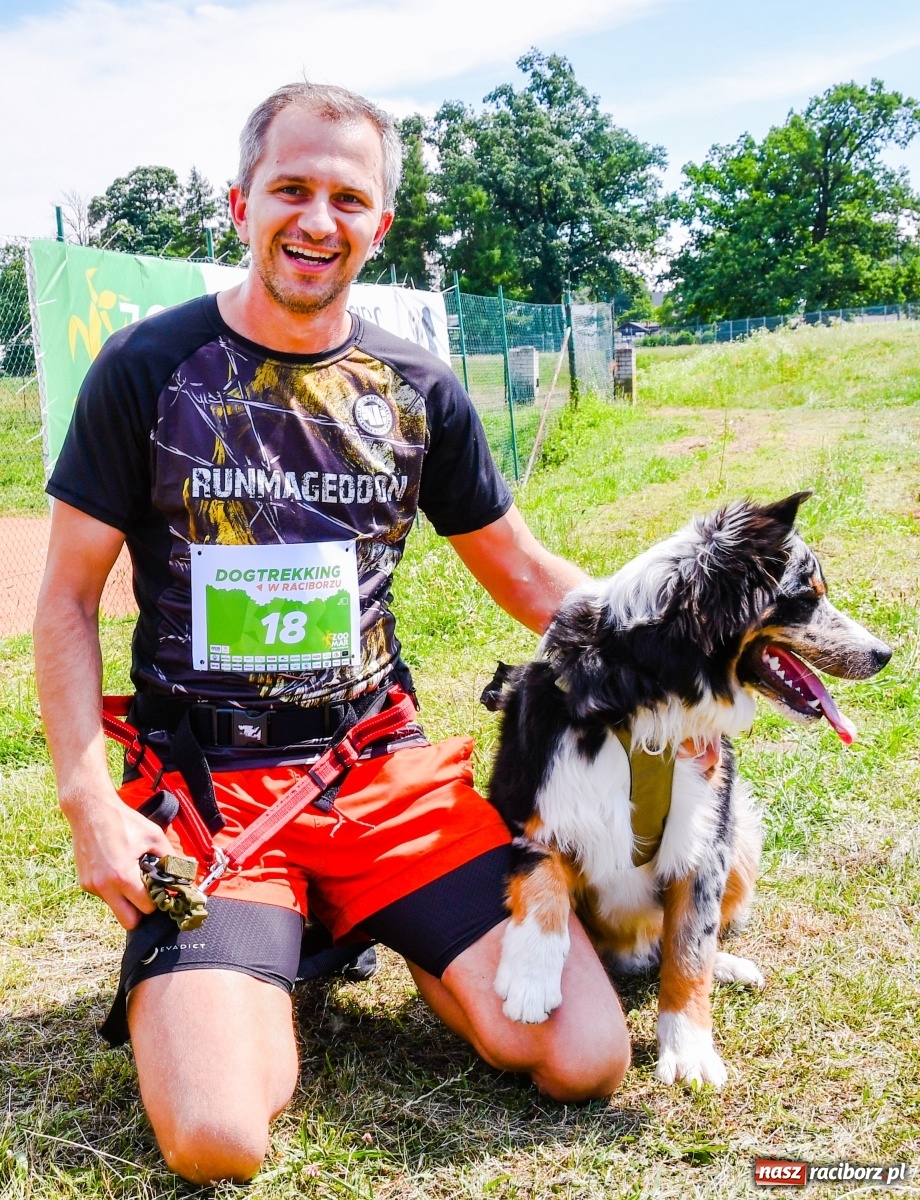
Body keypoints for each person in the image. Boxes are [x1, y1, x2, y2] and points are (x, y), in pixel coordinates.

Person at [34, 82, 633, 1186]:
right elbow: (65, 600)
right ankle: (266, 942)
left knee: (581, 1058)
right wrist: (90, 808)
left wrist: (679, 648)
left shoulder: (415, 389)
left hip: (378, 775)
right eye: (291, 190)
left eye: (346, 198)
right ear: (239, 203)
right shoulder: (146, 369)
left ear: (378, 224)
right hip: (211, 790)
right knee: (218, 1139)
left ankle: (382, 923)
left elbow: (527, 573)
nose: (317, 219)